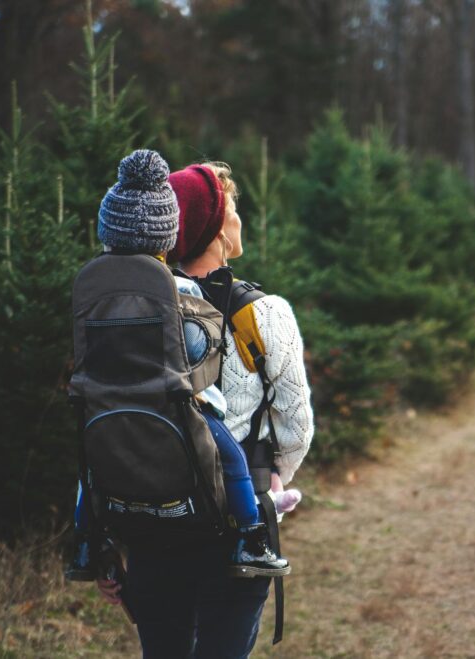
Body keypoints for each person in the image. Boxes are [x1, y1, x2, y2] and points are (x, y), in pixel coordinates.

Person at [97, 159, 314, 657]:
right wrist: (272, 482)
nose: (240, 216)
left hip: (152, 521)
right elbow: (296, 427)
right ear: (216, 227)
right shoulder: (263, 313)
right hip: (235, 531)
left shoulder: (134, 312)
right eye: (233, 207)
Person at [66, 149, 289, 583]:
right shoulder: (177, 287)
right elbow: (196, 344)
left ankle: (85, 543)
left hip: (104, 400)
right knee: (231, 457)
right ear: (166, 237)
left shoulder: (92, 285)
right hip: (171, 400)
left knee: (89, 467)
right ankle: (251, 537)